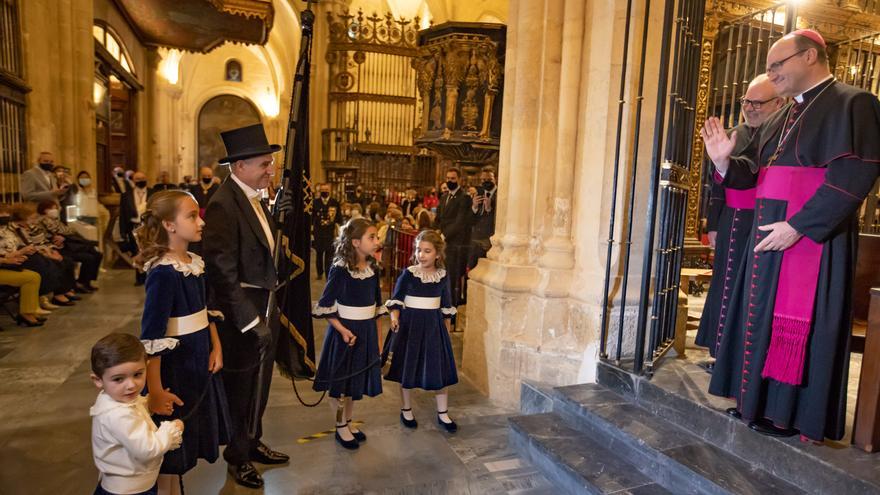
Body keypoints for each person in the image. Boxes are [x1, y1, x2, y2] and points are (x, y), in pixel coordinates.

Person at [701, 29, 880, 441]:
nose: (771, 74)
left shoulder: (854, 103)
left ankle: (792, 416)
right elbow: (755, 176)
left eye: (776, 65)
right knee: (760, 319)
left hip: (813, 240)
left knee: (801, 326)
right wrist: (724, 161)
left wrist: (800, 226)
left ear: (810, 57)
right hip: (770, 232)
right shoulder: (783, 115)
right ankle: (759, 405)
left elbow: (857, 172)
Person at [203, 123, 288, 489]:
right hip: (243, 310)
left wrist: (279, 215)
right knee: (241, 388)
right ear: (239, 166)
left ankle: (252, 441)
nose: (270, 170)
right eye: (264, 164)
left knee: (260, 384)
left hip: (263, 300)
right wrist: (250, 321)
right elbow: (222, 271)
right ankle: (238, 456)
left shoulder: (253, 198)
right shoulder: (223, 204)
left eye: (270, 163)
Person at [133, 191, 229, 494]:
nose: (200, 222)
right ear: (169, 225)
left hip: (199, 362)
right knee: (170, 449)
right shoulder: (163, 272)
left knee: (183, 448)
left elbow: (205, 310)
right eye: (191, 216)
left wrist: (217, 347)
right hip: (175, 370)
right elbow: (152, 336)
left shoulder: (195, 263)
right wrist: (157, 390)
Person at [695, 75, 783, 366]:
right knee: (724, 285)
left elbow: (751, 171)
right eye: (747, 101)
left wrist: (726, 164)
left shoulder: (782, 133)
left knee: (751, 291)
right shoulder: (735, 133)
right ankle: (720, 353)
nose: (749, 108)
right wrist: (714, 225)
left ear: (779, 102)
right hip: (732, 220)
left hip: (763, 220)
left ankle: (740, 359)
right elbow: (716, 188)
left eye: (758, 103)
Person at [312, 218, 386, 450]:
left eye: (376, 237)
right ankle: (340, 425)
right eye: (371, 237)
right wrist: (343, 331)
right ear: (355, 242)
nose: (377, 241)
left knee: (354, 383)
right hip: (345, 334)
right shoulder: (340, 269)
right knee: (340, 384)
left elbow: (376, 308)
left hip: (365, 333)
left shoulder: (373, 268)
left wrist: (379, 341)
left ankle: (348, 422)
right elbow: (325, 306)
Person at [89, 333, 184, 495]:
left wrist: (149, 405)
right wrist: (171, 429)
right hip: (130, 490)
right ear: (98, 380)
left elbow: (133, 412)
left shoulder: (114, 399)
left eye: (138, 374)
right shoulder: (118, 415)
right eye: (119, 379)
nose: (131, 385)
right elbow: (147, 449)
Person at [385, 229, 459, 432]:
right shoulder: (409, 274)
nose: (421, 255)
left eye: (427, 251)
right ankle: (406, 408)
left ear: (438, 254)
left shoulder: (443, 276)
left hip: (434, 328)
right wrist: (394, 318)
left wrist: (446, 333)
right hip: (410, 327)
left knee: (439, 369)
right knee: (407, 368)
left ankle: (442, 412)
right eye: (418, 250)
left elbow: (446, 307)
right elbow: (396, 300)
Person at [10, 202, 79, 307]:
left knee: (66, 261)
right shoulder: (16, 229)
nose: (34, 220)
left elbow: (41, 241)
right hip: (29, 254)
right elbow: (26, 246)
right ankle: (45, 296)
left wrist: (51, 250)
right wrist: (47, 254)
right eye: (31, 218)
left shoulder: (32, 226)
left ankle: (63, 291)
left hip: (42, 250)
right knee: (51, 264)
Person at [37, 200, 102, 293]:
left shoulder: (55, 220)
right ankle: (80, 283)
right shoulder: (44, 221)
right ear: (43, 210)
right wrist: (65, 235)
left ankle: (85, 281)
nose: (54, 210)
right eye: (51, 208)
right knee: (89, 257)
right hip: (59, 248)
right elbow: (61, 232)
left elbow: (70, 230)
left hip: (67, 244)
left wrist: (64, 235)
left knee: (97, 254)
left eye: (55, 208)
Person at [0, 208, 46, 326]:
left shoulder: (4, 231)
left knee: (34, 275)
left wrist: (15, 256)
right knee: (31, 277)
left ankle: (28, 312)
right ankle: (26, 314)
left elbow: (5, 251)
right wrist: (6, 259)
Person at [435, 168, 471, 316]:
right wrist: (436, 231)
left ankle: (451, 311)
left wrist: (444, 236)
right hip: (442, 242)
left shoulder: (464, 198)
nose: (450, 181)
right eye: (448, 178)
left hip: (454, 245)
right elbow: (439, 218)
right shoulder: (444, 197)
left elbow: (460, 222)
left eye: (453, 178)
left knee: (452, 278)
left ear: (459, 180)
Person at [121, 172, 150, 285]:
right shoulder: (126, 195)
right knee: (136, 250)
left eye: (143, 178)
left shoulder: (153, 192)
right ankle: (139, 277)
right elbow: (123, 215)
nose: (140, 180)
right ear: (133, 180)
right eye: (138, 179)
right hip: (133, 226)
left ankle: (150, 275)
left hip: (149, 226)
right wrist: (123, 234)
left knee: (149, 250)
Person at [468, 166, 498, 271]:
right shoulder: (479, 192)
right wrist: (474, 207)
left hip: (490, 239)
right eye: (483, 180)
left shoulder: (500, 194)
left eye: (489, 180)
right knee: (472, 269)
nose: (486, 182)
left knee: (486, 270)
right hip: (475, 238)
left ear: (495, 179)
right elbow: (471, 218)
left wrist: (489, 209)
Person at [313, 183, 341, 280]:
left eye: (326, 190)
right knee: (319, 254)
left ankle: (328, 273)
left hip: (330, 233)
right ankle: (319, 272)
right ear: (320, 191)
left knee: (329, 255)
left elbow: (338, 217)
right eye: (322, 190)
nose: (324, 191)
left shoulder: (334, 203)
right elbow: (312, 217)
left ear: (329, 191)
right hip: (319, 232)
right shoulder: (315, 203)